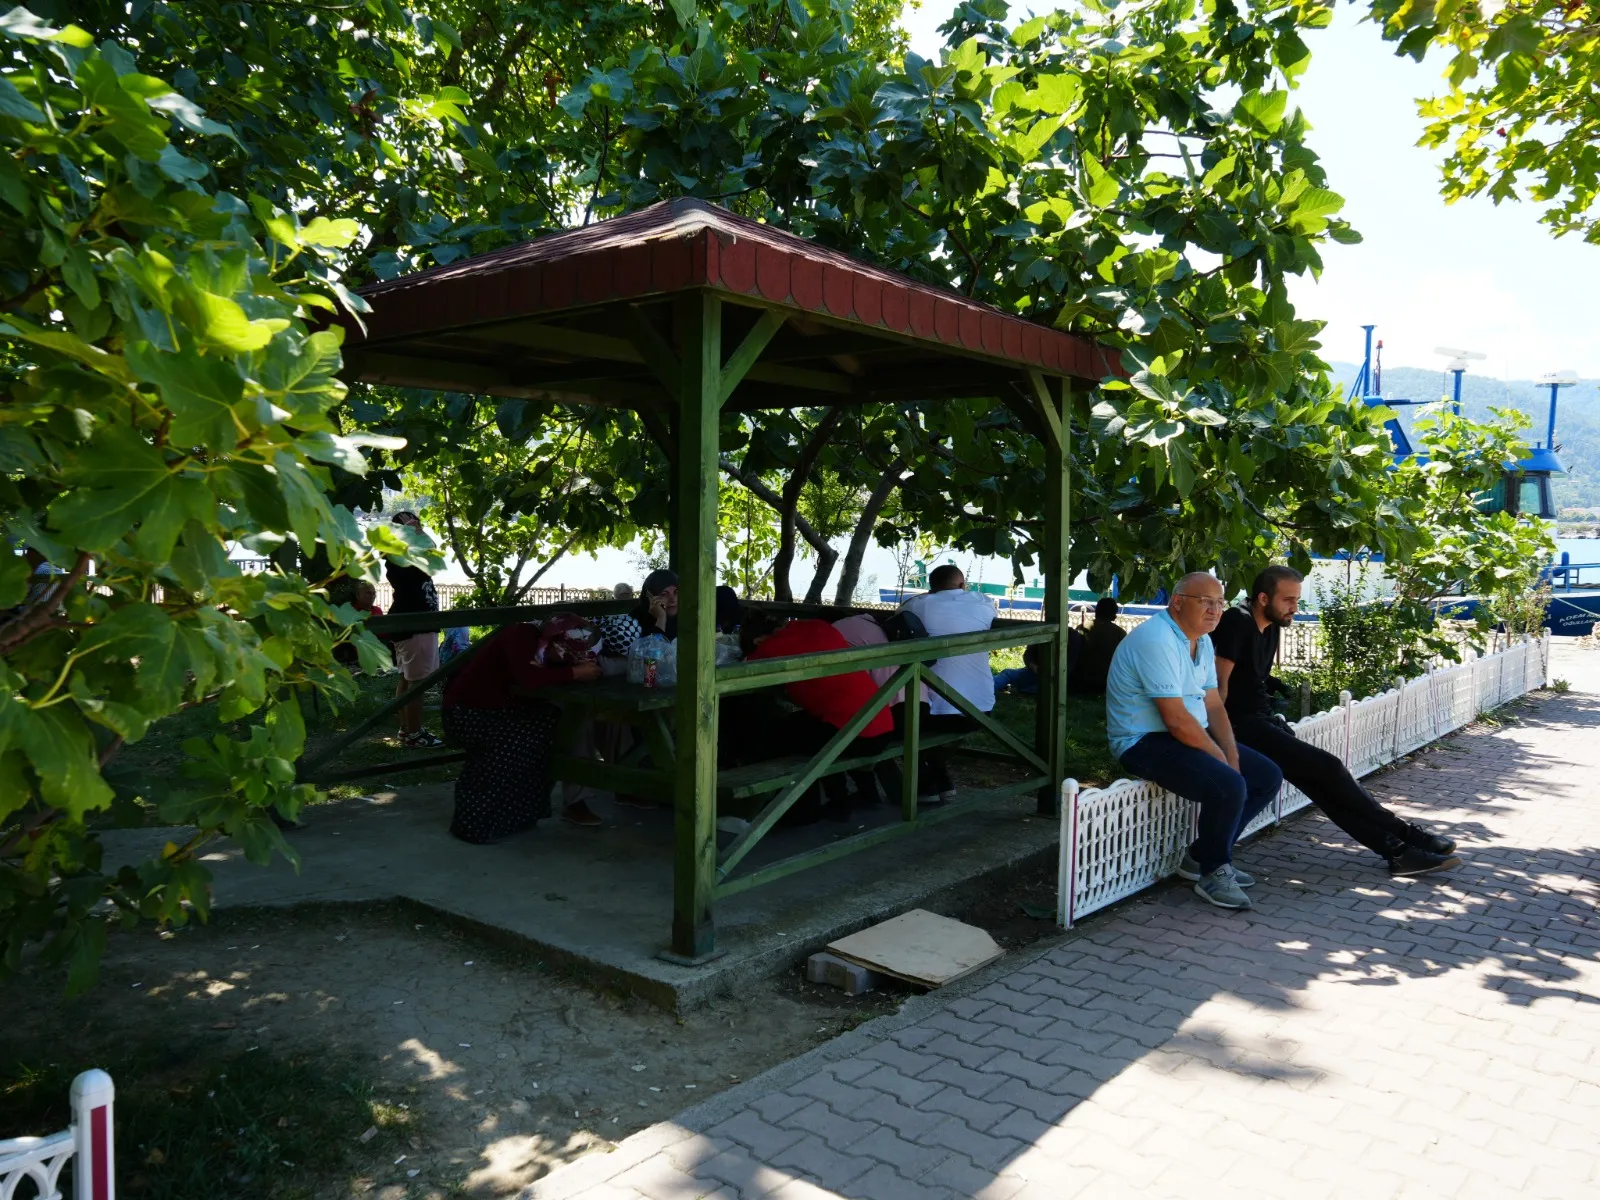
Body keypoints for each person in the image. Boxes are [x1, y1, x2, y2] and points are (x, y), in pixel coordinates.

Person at [1213, 565, 1462, 877]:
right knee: (1329, 768)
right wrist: (1216, 736)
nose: (1295, 607)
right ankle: (1407, 835)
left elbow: (1251, 678)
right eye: (1288, 600)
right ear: (1263, 598)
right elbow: (1218, 688)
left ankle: (1397, 852)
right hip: (1239, 726)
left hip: (1261, 722)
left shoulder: (1272, 626)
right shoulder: (1238, 621)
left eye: (1297, 600)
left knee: (1323, 787)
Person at [1106, 571, 1283, 910]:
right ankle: (1213, 872)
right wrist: (1220, 758)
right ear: (1177, 602)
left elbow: (1213, 703)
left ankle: (1200, 858)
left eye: (1220, 603)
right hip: (1141, 740)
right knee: (1229, 785)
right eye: (1206, 602)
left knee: (1266, 777)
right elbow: (1175, 719)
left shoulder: (1201, 640)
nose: (1215, 610)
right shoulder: (1157, 640)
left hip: (1182, 734)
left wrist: (1230, 752)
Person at [439, 620, 602, 842]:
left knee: (548, 728)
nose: (567, 657)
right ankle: (475, 824)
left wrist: (573, 670)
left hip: (502, 710)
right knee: (509, 745)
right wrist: (574, 672)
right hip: (467, 713)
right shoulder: (520, 634)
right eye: (567, 651)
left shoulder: (545, 647)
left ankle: (519, 816)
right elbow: (528, 678)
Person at [740, 612, 897, 822]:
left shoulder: (767, 649)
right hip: (881, 724)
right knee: (811, 729)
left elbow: (742, 670)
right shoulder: (819, 625)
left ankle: (798, 809)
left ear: (758, 640)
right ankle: (842, 799)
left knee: (776, 738)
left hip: (855, 735)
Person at [898, 565, 996, 800]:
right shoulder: (983, 602)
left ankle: (927, 787)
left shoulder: (917, 605)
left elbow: (899, 616)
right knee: (918, 731)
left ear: (930, 588)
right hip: (981, 709)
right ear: (963, 585)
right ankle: (940, 784)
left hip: (934, 713)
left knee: (898, 725)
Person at [386, 511, 444, 748]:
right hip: (415, 626)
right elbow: (432, 552)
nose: (418, 530)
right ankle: (414, 733)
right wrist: (417, 535)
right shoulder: (400, 557)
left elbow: (433, 552)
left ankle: (406, 730)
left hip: (415, 625)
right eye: (412, 527)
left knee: (407, 679)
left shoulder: (405, 555)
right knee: (417, 683)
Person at [1072, 597, 1125, 696]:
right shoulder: (1119, 633)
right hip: (1106, 682)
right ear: (1112, 614)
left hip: (1080, 679)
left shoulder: (1081, 627)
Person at [630, 568, 679, 640]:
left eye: (676, 592)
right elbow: (654, 649)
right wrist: (661, 618)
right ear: (650, 597)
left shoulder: (687, 615)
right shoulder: (635, 623)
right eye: (664, 594)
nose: (672, 600)